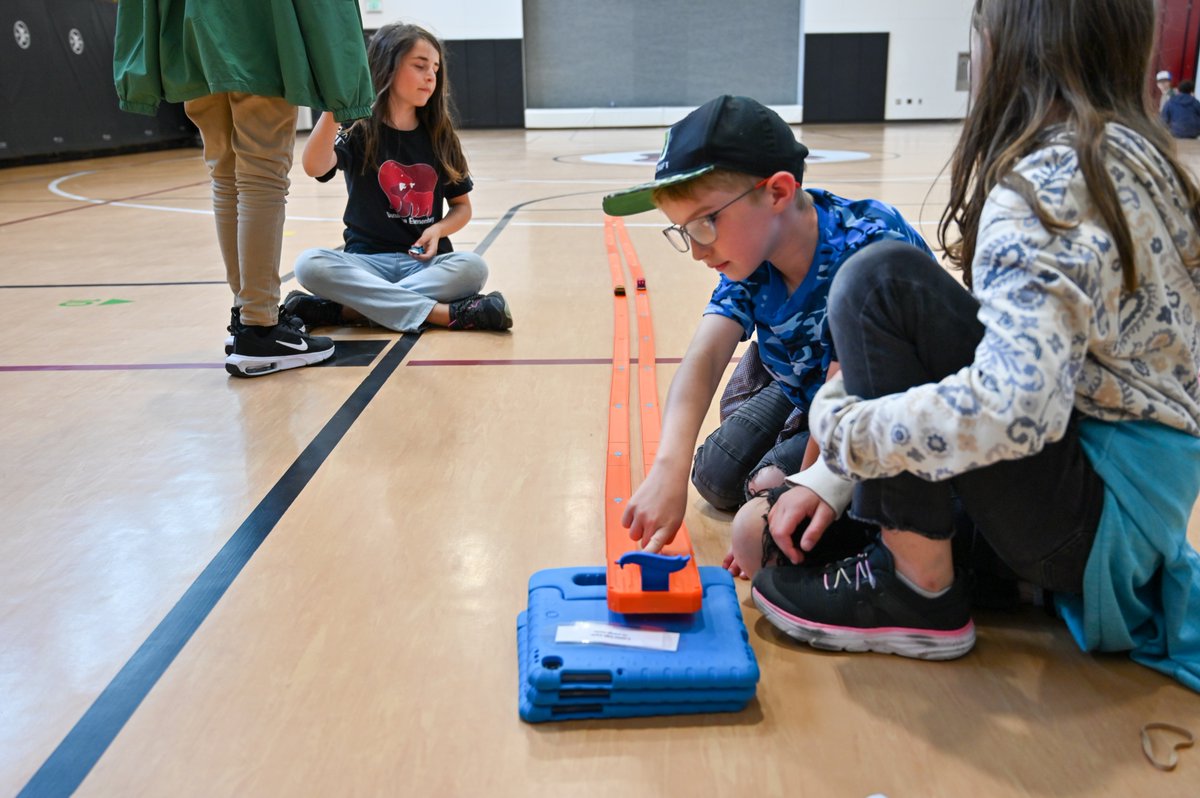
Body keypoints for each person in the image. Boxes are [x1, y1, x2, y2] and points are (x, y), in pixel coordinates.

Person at [751, 0, 1200, 689]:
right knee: (787, 541)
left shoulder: (1050, 183)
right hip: (1133, 516)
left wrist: (846, 435)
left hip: (1093, 523)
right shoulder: (1137, 159)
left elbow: (1018, 408)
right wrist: (837, 478)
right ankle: (952, 564)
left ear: (1004, 45)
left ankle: (917, 592)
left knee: (879, 283)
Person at [602, 95, 932, 579]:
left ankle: (786, 448)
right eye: (683, 232)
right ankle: (781, 415)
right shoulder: (751, 258)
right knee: (711, 476)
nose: (696, 251)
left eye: (705, 224)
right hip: (805, 388)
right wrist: (667, 469)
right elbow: (705, 357)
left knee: (759, 531)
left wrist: (794, 491)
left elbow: (846, 402)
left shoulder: (866, 245)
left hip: (866, 411)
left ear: (777, 192)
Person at [113, 2, 373, 377]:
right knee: (262, 174)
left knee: (225, 173)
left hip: (193, 25)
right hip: (259, 25)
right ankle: (259, 325)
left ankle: (247, 315)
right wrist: (347, 86)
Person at [286, 23, 512, 335]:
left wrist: (438, 229)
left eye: (435, 68)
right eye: (420, 66)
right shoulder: (358, 127)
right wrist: (334, 108)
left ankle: (351, 311)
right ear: (386, 66)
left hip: (423, 265)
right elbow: (314, 166)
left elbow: (462, 207)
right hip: (365, 264)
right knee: (309, 264)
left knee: (473, 268)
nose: (431, 76)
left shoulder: (440, 135)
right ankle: (442, 314)